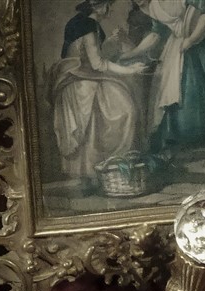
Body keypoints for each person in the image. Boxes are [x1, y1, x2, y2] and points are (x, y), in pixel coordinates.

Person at [51, 0, 149, 184]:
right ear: (100, 6)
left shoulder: (81, 22)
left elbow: (90, 53)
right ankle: (112, 166)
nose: (111, 9)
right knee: (126, 110)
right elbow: (98, 64)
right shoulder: (89, 25)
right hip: (81, 83)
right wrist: (131, 70)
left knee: (122, 102)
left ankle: (98, 173)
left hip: (81, 77)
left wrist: (111, 41)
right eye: (109, 4)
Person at [121, 0, 205, 156]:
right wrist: (131, 54)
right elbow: (156, 34)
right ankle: (177, 140)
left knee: (195, 89)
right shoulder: (153, 6)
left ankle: (204, 138)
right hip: (177, 45)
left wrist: (192, 39)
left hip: (200, 42)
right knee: (168, 90)